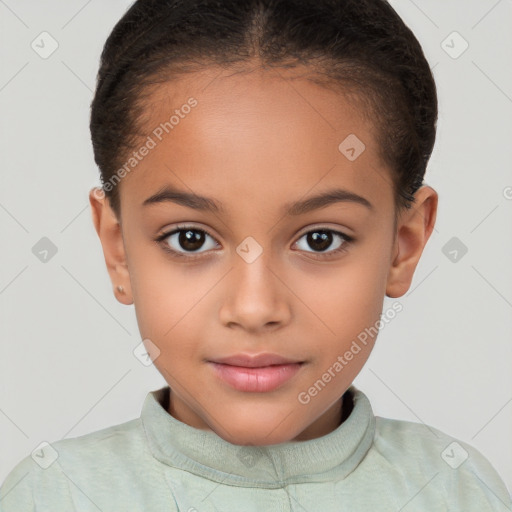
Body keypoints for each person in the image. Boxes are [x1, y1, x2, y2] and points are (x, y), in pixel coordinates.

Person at [1, 0, 510, 510]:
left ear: (404, 244)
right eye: (191, 239)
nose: (254, 308)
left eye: (320, 239)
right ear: (119, 250)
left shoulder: (459, 491)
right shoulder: (54, 495)